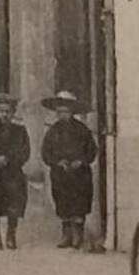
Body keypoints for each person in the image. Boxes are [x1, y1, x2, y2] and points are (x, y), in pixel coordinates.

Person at [42, 91, 98, 249]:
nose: (62, 115)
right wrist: (58, 162)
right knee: (62, 202)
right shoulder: (52, 131)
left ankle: (78, 235)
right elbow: (45, 153)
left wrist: (81, 161)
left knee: (79, 204)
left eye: (66, 111)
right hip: (60, 175)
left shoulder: (83, 130)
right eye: (59, 112)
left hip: (80, 175)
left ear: (72, 111)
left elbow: (92, 151)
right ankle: (66, 235)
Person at [0, 94, 30, 250]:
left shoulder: (20, 131)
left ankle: (11, 235)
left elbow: (25, 152)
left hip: (13, 174)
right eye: (1, 111)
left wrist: (9, 159)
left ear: (13, 112)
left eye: (8, 111)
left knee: (13, 205)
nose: (4, 115)